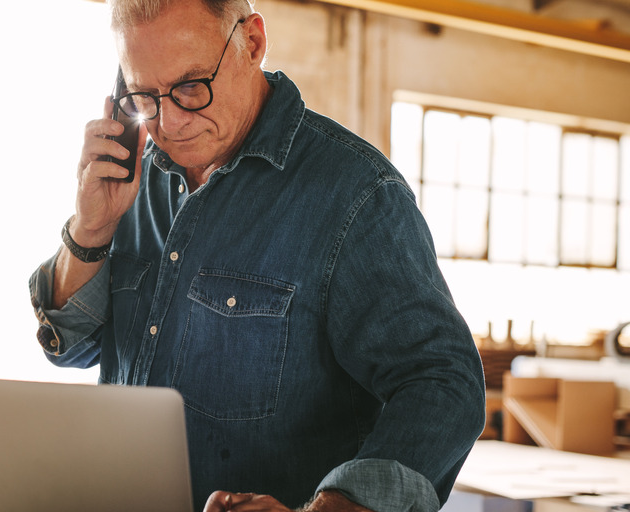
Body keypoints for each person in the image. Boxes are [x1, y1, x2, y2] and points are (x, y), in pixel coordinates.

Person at [28, 0, 486, 510]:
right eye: (144, 97)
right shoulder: (132, 176)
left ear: (252, 42)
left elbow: (443, 382)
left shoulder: (355, 194)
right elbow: (68, 347)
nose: (171, 122)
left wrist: (338, 506)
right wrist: (91, 229)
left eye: (190, 87)